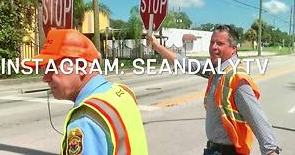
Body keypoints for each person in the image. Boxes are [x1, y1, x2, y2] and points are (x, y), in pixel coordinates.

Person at [146, 24, 280, 155]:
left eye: (220, 43)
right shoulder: (216, 68)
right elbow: (186, 64)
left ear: (233, 49)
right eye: (212, 42)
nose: (213, 47)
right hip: (213, 149)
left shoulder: (238, 80)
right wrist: (157, 46)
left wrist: (270, 150)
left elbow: (257, 118)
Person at [25, 29, 148, 155]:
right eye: (45, 69)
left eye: (52, 67)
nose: (45, 78)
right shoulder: (122, 92)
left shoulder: (86, 118)